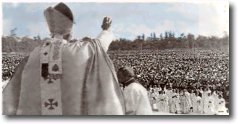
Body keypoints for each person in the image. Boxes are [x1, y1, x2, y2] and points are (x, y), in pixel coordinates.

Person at [3, 2, 124, 115]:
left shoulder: (34, 55)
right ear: (70, 30)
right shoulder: (77, 51)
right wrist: (106, 30)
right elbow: (99, 45)